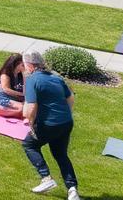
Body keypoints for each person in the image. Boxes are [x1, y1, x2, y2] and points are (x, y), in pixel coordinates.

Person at [20, 49, 79, 200]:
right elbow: (70, 98)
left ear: (31, 65)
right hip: (66, 122)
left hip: (49, 124)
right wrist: (64, 115)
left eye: (25, 64)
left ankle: (46, 179)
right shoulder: (55, 77)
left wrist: (30, 122)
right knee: (60, 155)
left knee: (29, 145)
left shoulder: (33, 80)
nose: (24, 68)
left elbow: (31, 107)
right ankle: (72, 190)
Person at [0, 53, 26, 118]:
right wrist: (22, 94)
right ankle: (0, 110)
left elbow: (25, 89)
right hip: (2, 96)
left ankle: (4, 109)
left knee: (29, 106)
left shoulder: (20, 73)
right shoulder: (5, 74)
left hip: (13, 95)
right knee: (23, 108)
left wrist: (24, 74)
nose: (24, 66)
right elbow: (6, 89)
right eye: (22, 65)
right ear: (16, 64)